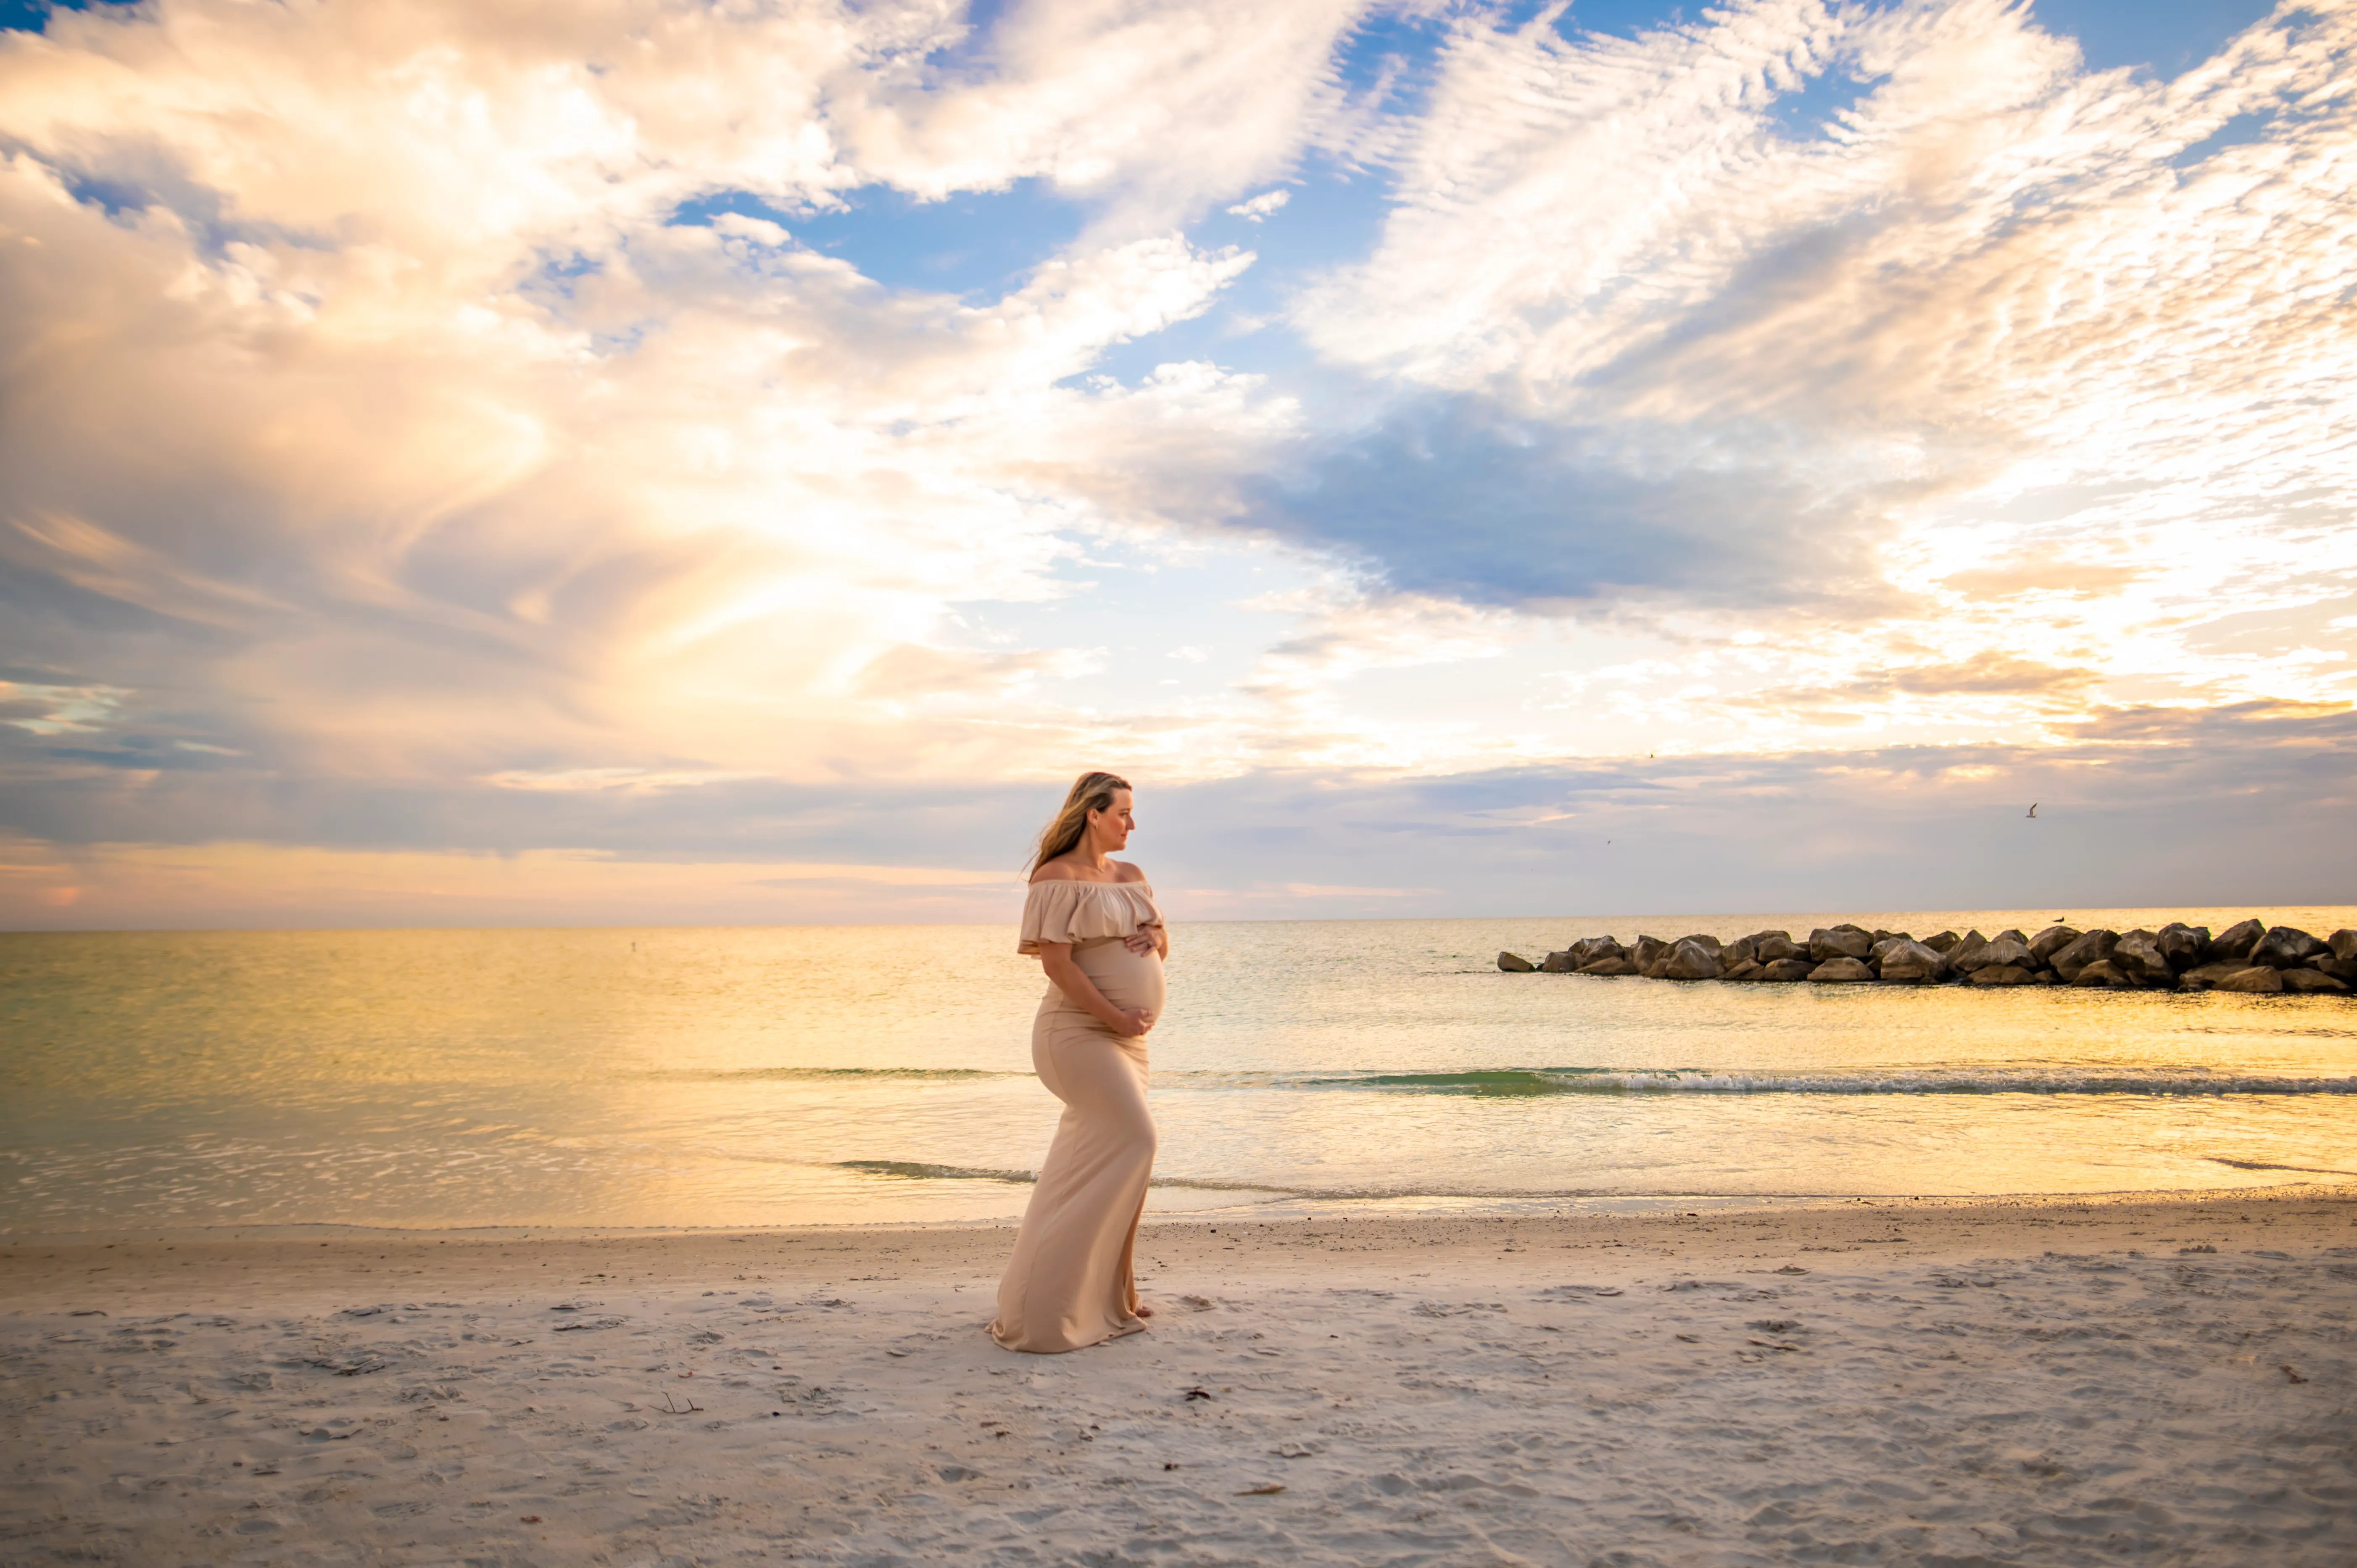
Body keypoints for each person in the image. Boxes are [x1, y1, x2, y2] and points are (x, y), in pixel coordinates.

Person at [988, 771, 1168, 1353]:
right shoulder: (1055, 877)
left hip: (1126, 1043)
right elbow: (1059, 967)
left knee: (1128, 1157)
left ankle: (1116, 1293)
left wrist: (1156, 936)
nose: (1132, 825)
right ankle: (1047, 1303)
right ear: (1094, 814)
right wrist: (1116, 1015)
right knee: (1137, 1138)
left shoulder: (1131, 876)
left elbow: (1158, 943)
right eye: (1123, 813)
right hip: (1076, 1034)